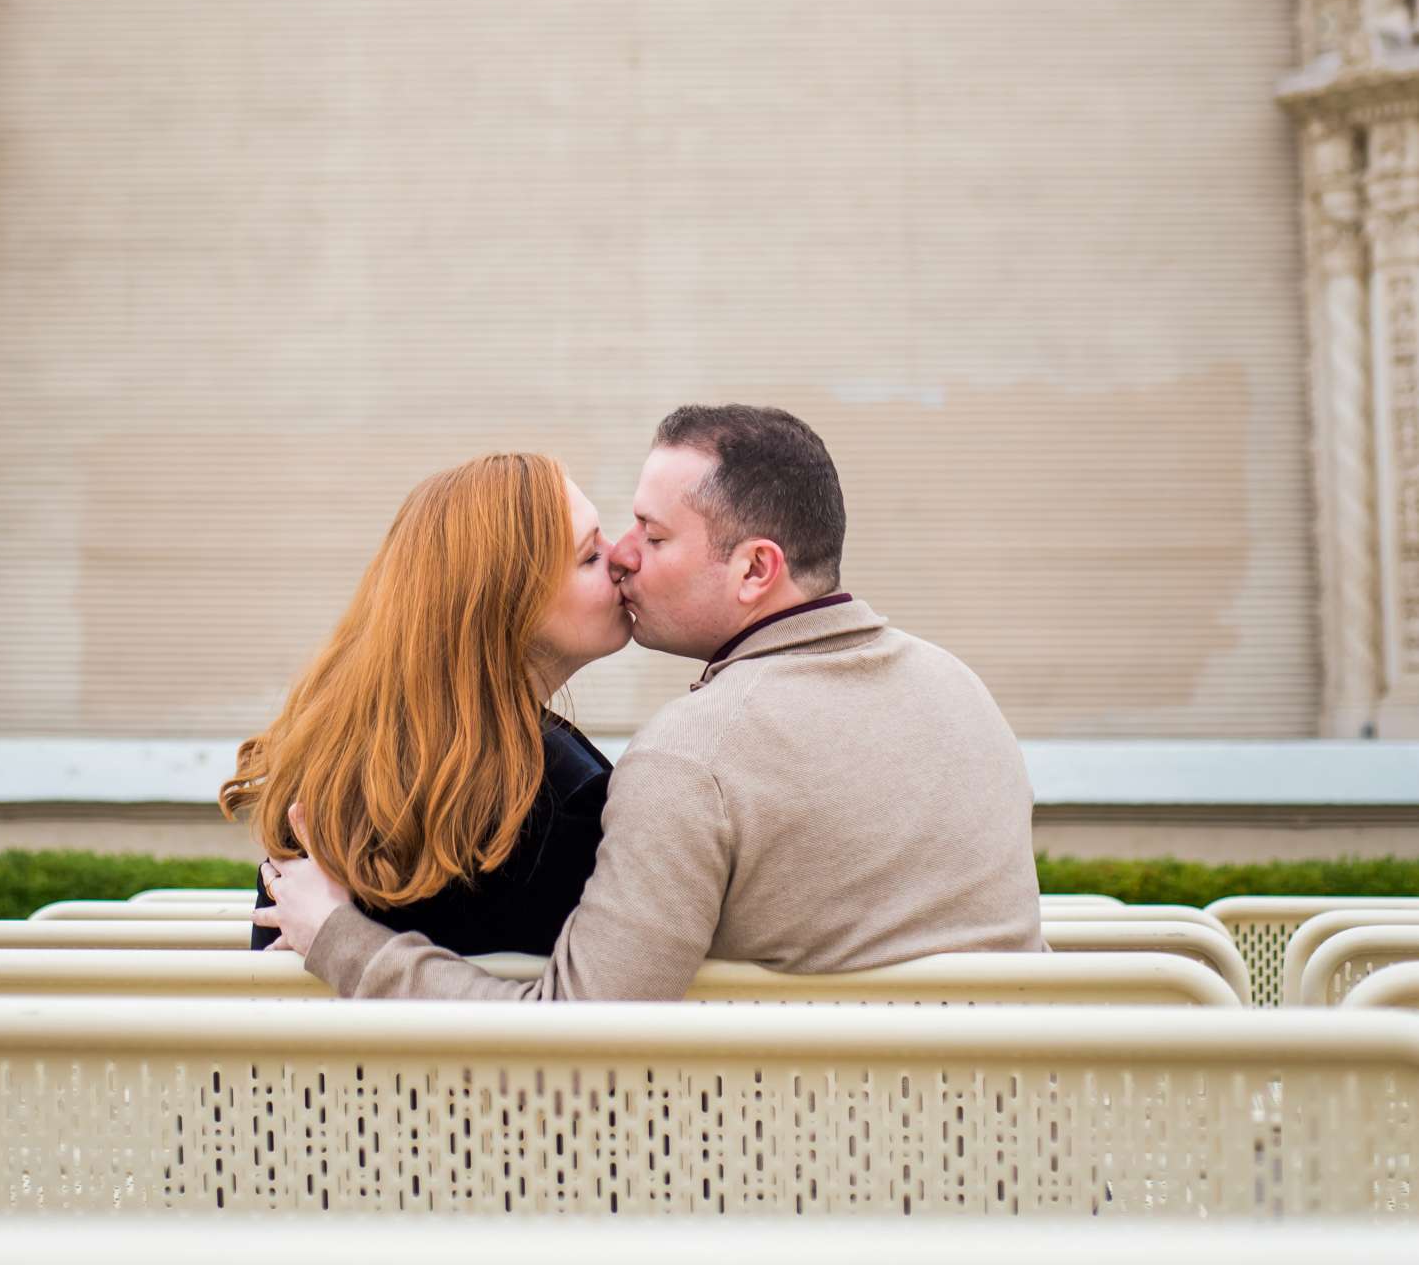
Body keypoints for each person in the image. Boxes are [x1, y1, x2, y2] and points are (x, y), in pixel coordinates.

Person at [258, 402, 1044, 995]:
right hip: (1038, 1169)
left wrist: (341, 940)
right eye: (596, 551)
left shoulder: (688, 759)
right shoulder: (963, 689)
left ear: (753, 570)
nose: (626, 560)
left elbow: (581, 1036)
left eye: (649, 536)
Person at [226, 449, 630, 957]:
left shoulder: (335, 768)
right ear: (507, 603)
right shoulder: (563, 801)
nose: (624, 558)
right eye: (590, 556)